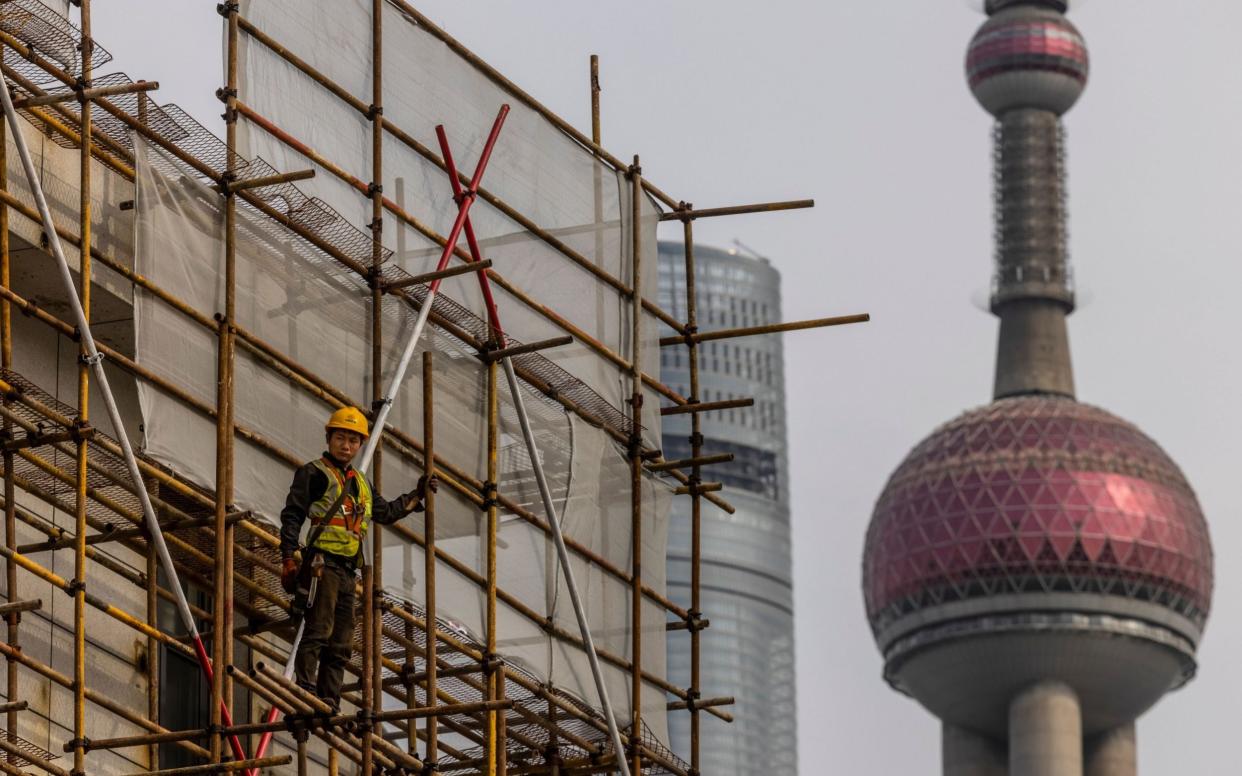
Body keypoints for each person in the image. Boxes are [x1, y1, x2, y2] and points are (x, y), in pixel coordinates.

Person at [279, 406, 437, 709]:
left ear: (360, 444)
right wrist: (288, 556)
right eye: (341, 438)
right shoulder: (313, 473)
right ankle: (306, 689)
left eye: (353, 440)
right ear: (329, 437)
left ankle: (329, 697)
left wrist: (416, 498)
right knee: (317, 631)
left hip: (349, 571)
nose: (346, 445)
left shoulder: (361, 483)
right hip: (321, 566)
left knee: (341, 641)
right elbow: (293, 515)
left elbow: (385, 512)